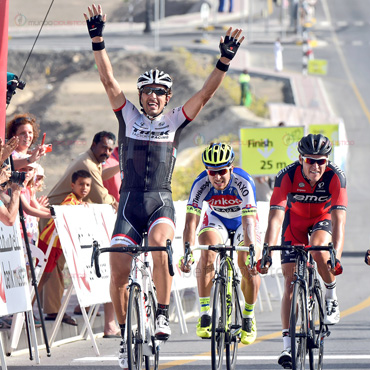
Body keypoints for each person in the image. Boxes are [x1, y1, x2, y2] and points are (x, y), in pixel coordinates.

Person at [84, 4, 244, 368]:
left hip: (159, 203)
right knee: (119, 270)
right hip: (128, 204)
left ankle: (161, 313)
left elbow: (204, 95)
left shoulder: (174, 121)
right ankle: (126, 337)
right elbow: (109, 81)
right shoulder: (127, 116)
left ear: (168, 97)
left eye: (159, 92)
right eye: (147, 92)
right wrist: (98, 40)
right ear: (140, 96)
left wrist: (223, 61)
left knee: (158, 246)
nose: (152, 96)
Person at [258, 134, 346, 368]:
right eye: (310, 160)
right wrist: (267, 251)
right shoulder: (286, 175)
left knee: (319, 252)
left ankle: (330, 294)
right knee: (289, 281)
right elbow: (276, 218)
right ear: (300, 159)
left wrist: (335, 255)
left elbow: (339, 220)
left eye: (321, 161)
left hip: (322, 219)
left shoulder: (335, 177)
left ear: (327, 161)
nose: (316, 166)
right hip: (294, 221)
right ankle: (287, 346)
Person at [180, 143, 261, 345]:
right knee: (207, 252)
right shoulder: (200, 183)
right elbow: (191, 222)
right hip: (217, 221)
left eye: (222, 172)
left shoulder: (243, 181)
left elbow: (249, 222)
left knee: (248, 265)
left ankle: (249, 317)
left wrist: (251, 251)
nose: (217, 177)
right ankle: (206, 313)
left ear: (230, 169)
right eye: (212, 172)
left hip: (243, 222)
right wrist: (188, 252)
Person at [41, 131, 119, 333]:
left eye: (111, 149)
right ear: (94, 144)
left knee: (57, 263)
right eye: (104, 148)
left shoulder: (92, 162)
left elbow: (99, 176)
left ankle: (55, 308)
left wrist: (120, 167)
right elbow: (102, 197)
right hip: (54, 217)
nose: (107, 152)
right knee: (52, 264)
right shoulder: (88, 164)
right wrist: (117, 204)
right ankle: (51, 310)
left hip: (64, 216)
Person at [35, 170, 92, 324]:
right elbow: (68, 210)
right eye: (81, 184)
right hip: (48, 243)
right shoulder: (70, 200)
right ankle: (26, 310)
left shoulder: (78, 202)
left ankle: (30, 309)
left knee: (45, 277)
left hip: (57, 245)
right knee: (40, 277)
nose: (84, 188)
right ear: (72, 185)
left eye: (87, 185)